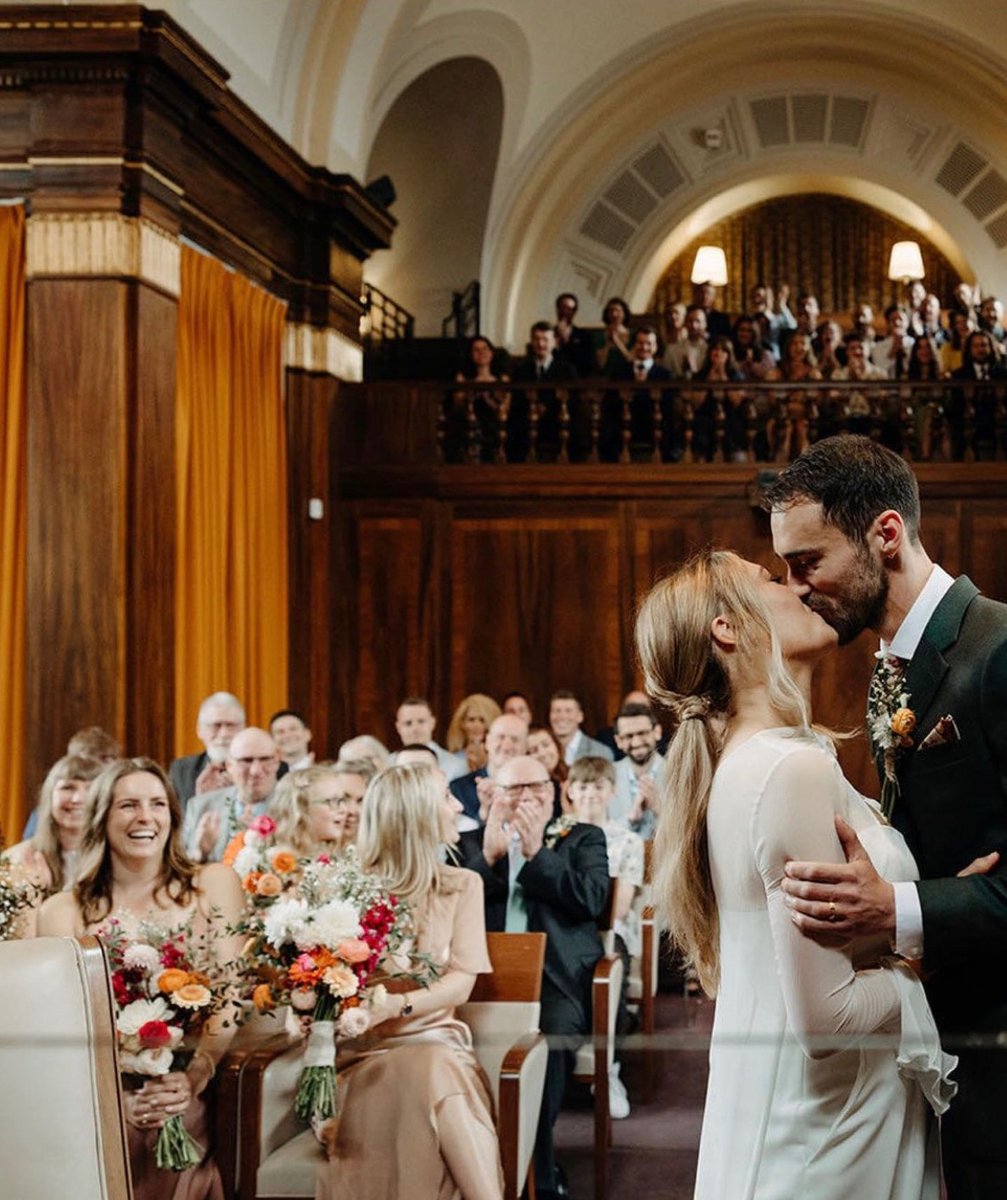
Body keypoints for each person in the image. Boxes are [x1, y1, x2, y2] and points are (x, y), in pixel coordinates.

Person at [636, 548, 956, 1199]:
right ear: (727, 629)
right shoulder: (787, 769)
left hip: (813, 1109)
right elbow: (826, 1019)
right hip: (826, 1131)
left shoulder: (759, 759)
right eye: (767, 578)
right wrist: (921, 969)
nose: (794, 586)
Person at [765, 436, 1007, 1197]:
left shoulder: (996, 649)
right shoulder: (891, 668)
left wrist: (897, 909)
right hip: (947, 1034)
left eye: (808, 562)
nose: (797, 588)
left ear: (886, 533)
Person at [36, 757, 245, 1200]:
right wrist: (112, 1100)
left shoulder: (213, 884)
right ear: (102, 819)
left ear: (173, 816)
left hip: (191, 1079)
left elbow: (229, 1001)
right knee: (104, 1132)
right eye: (127, 805)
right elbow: (62, 1027)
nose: (145, 817)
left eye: (157, 805)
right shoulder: (63, 911)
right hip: (94, 1090)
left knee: (172, 1119)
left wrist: (194, 1077)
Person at [316, 764, 503, 1200]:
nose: (459, 806)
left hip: (437, 1039)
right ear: (415, 814)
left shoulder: (463, 885)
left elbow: (460, 983)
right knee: (429, 1073)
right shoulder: (346, 889)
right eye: (445, 798)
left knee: (434, 1066)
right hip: (364, 1054)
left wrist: (396, 1006)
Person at [459, 753, 609, 1200]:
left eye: (535, 788)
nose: (525, 799)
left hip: (556, 981)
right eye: (513, 790)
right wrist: (489, 857)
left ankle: (536, 1176)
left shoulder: (583, 838)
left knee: (550, 1047)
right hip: (481, 980)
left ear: (554, 792)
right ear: (493, 795)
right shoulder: (468, 845)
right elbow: (453, 911)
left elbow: (592, 901)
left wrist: (537, 853)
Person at [3, 753, 104, 906]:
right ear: (49, 796)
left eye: (90, 789)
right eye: (68, 787)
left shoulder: (118, 861)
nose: (77, 799)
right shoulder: (18, 859)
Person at [182, 727, 281, 863]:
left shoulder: (299, 805)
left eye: (265, 759)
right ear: (229, 765)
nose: (255, 770)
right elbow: (180, 868)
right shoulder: (201, 806)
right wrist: (202, 853)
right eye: (246, 761)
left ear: (277, 761)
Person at [168, 691, 246, 806]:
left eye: (231, 725)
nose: (224, 734)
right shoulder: (182, 770)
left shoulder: (266, 768)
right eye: (216, 725)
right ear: (199, 730)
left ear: (244, 729)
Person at [445, 693, 502, 774]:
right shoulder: (452, 759)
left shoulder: (499, 759)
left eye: (482, 720)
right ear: (461, 723)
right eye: (471, 719)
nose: (476, 726)